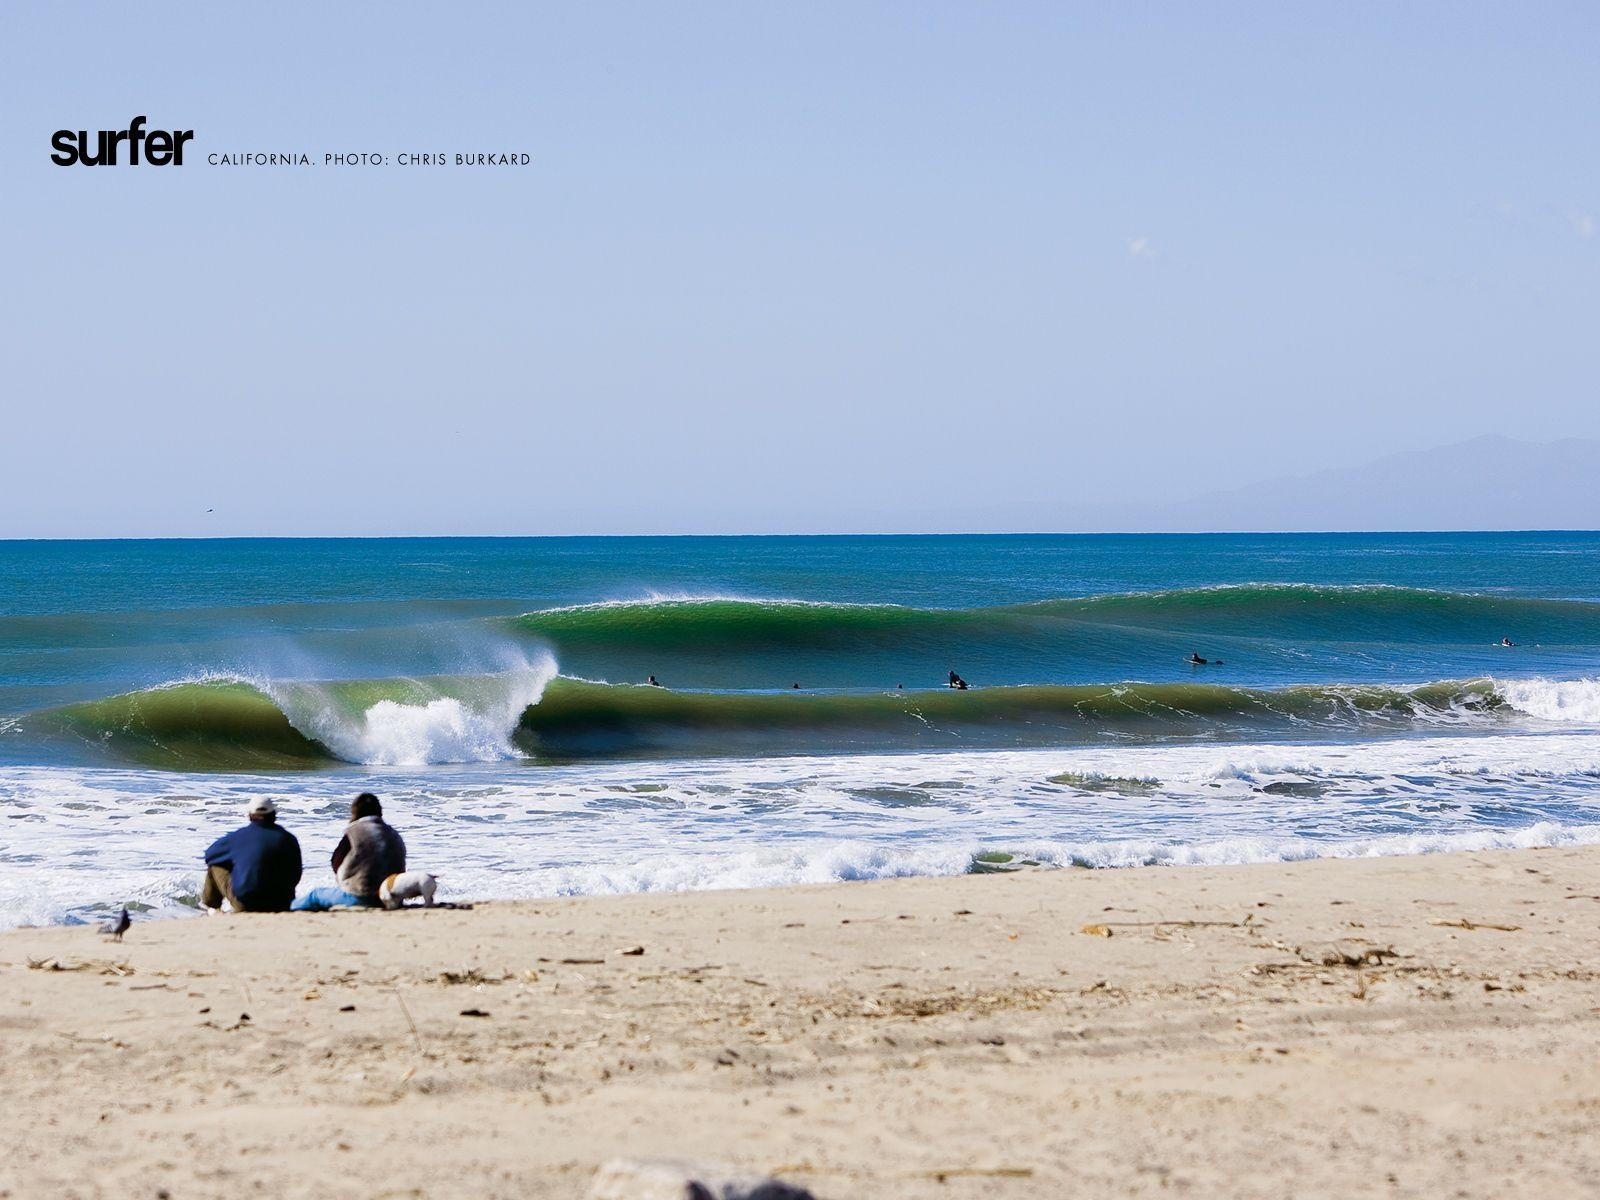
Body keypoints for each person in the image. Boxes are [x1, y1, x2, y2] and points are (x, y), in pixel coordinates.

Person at [292, 793, 406, 911]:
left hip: (362, 897)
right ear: (380, 812)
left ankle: (287, 908)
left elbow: (336, 862)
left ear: (355, 812)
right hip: (393, 897)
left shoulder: (354, 831)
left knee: (315, 895)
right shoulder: (394, 834)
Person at [201, 797, 302, 914]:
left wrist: (236, 866)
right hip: (282, 903)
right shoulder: (289, 838)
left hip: (247, 904)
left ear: (250, 815)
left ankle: (212, 907)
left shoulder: (239, 837)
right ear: (274, 814)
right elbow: (296, 873)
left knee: (216, 864)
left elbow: (210, 855)